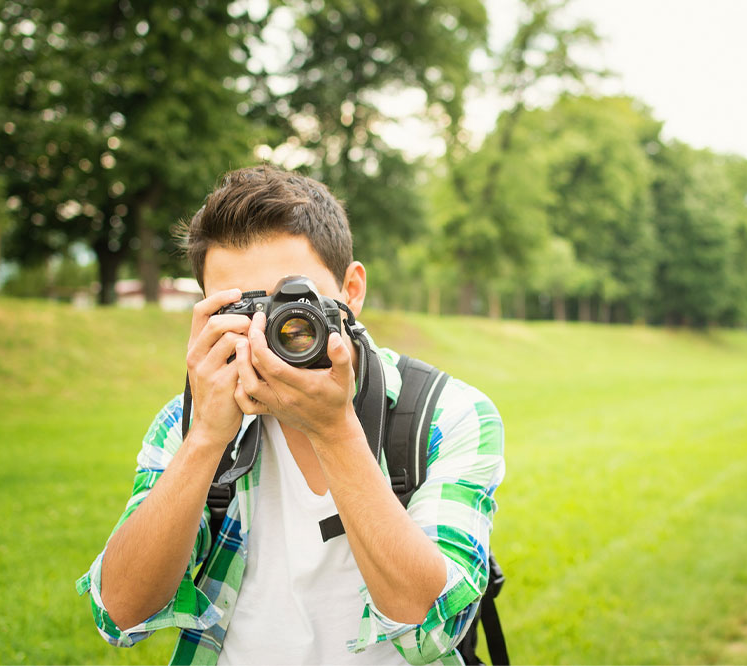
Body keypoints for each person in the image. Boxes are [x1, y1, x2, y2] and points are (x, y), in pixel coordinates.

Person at [76, 166, 506, 665]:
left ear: (352, 289)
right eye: (244, 309)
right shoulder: (184, 423)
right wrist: (205, 439)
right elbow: (121, 614)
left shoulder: (446, 415)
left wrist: (335, 429)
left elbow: (429, 628)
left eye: (292, 302)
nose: (268, 331)